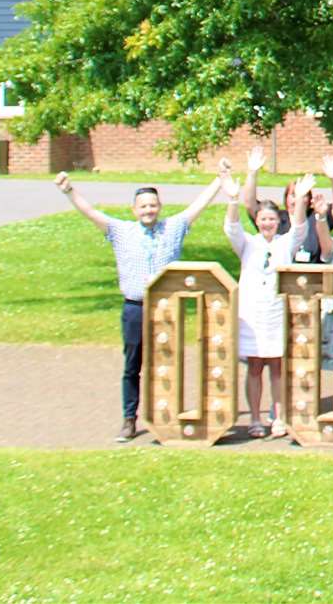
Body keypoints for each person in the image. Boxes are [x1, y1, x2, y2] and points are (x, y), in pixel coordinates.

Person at [58, 165, 228, 442]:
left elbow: (198, 206)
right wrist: (69, 191)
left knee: (167, 363)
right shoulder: (121, 231)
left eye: (152, 205)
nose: (148, 210)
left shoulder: (172, 228)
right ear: (134, 210)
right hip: (135, 307)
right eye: (143, 206)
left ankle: (166, 417)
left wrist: (219, 182)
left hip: (166, 308)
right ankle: (129, 419)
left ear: (159, 206)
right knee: (133, 365)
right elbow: (90, 213)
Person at [222, 159, 312, 439]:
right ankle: (256, 418)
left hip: (276, 313)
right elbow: (232, 228)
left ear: (277, 222)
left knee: (277, 367)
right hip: (252, 314)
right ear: (258, 221)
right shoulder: (248, 244)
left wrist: (299, 199)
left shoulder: (285, 243)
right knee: (254, 368)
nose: (268, 223)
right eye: (263, 219)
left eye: (272, 219)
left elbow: (299, 228)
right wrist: (234, 199)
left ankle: (280, 417)